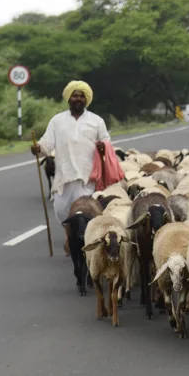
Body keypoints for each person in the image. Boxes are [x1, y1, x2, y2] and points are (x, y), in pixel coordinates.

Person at [31, 80, 110, 254]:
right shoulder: (57, 121)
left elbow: (106, 140)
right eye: (75, 95)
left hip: (87, 176)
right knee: (61, 211)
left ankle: (85, 244)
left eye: (82, 96)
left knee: (84, 213)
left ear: (86, 99)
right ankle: (70, 237)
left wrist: (103, 147)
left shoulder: (96, 121)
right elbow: (47, 143)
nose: (78, 98)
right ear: (69, 98)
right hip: (64, 176)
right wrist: (39, 148)